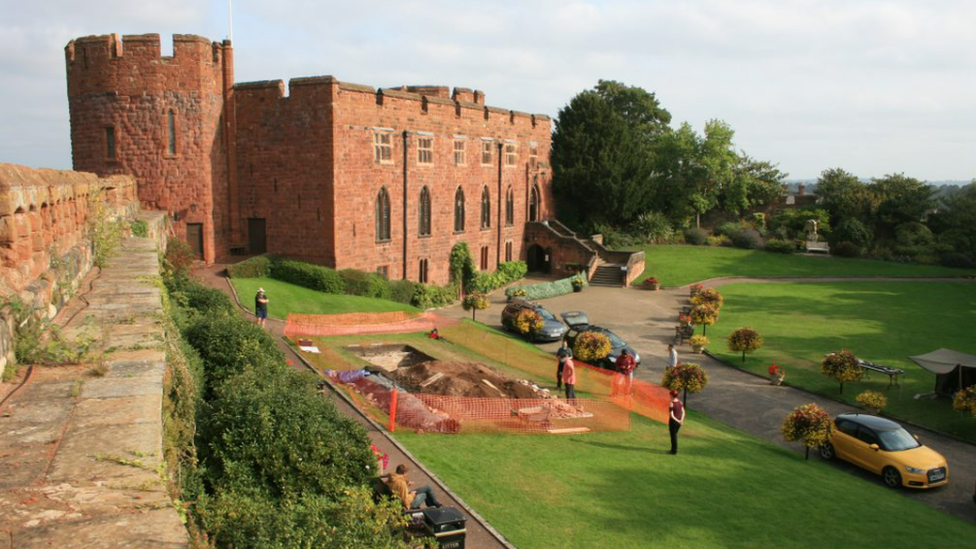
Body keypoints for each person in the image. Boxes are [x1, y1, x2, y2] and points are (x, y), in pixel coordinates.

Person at [668, 389, 685, 455]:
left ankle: (674, 451)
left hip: (673, 422)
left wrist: (678, 421)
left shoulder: (671, 404)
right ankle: (673, 449)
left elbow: (672, 416)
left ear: (672, 395)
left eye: (670, 395)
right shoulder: (680, 402)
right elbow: (683, 412)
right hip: (679, 421)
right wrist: (681, 420)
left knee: (673, 436)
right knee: (674, 435)